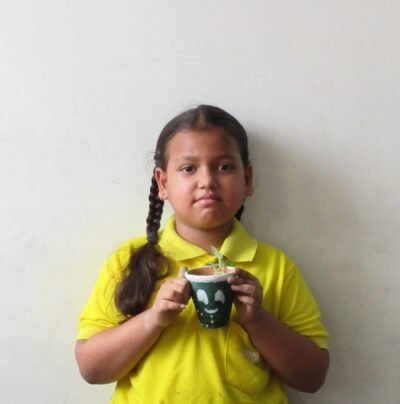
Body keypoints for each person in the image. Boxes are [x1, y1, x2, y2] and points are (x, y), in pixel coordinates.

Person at [75, 105, 329, 403]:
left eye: (224, 167)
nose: (207, 180)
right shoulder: (129, 259)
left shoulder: (274, 266)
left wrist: (257, 320)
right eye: (188, 168)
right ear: (163, 183)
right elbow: (92, 369)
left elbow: (312, 377)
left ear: (248, 179)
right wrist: (153, 319)